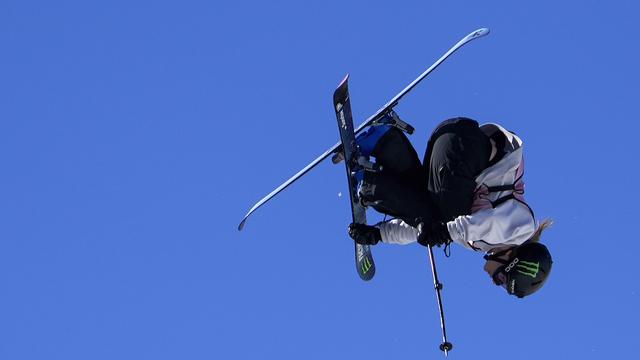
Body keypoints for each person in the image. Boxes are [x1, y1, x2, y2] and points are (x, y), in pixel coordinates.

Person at [343, 116, 553, 298]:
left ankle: (383, 140)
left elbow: (424, 225)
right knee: (440, 219)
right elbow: (484, 222)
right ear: (512, 262)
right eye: (501, 279)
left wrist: (380, 234)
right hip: (466, 149)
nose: (494, 281)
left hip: (450, 142)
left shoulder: (477, 240)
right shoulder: (521, 227)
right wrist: (443, 231)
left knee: (426, 206)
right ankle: (369, 185)